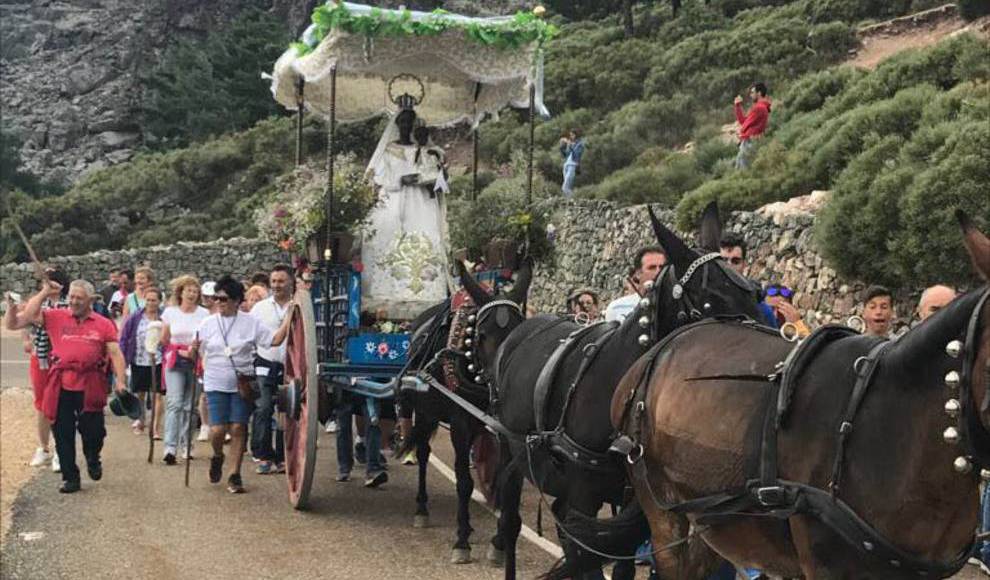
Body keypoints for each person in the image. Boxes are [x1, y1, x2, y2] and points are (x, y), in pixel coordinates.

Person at [7, 279, 127, 493]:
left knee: (94, 431)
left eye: (79, 298)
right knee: (62, 431)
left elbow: (115, 353)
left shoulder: (103, 323)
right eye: (71, 296)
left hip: (90, 383)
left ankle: (92, 456)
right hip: (61, 382)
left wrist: (120, 381)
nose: (73, 301)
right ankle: (70, 477)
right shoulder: (55, 316)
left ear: (90, 300)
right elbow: (18, 322)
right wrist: (44, 292)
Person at [189, 275, 291, 494]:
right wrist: (193, 349)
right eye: (216, 298)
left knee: (238, 427)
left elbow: (274, 340)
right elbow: (193, 353)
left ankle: (234, 474)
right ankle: (217, 455)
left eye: (223, 299)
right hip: (215, 381)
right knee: (217, 430)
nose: (219, 303)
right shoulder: (206, 324)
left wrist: (289, 318)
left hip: (242, 381)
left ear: (236, 300)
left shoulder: (250, 322)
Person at [363, 103, 451, 320]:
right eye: (403, 122)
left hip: (421, 201)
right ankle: (390, 289)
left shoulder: (427, 152)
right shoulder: (389, 150)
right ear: (397, 124)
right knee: (389, 239)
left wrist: (431, 178)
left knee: (425, 237)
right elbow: (381, 179)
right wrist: (401, 179)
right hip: (395, 199)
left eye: (409, 123)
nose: (406, 126)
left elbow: (438, 179)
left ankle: (426, 289)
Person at [160, 275, 210, 465]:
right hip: (175, 361)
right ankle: (170, 447)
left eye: (195, 291)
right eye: (189, 290)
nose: (192, 294)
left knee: (190, 406)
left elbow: (207, 337)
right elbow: (164, 341)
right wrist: (180, 351)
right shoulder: (170, 313)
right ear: (181, 292)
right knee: (175, 402)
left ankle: (186, 445)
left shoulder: (204, 314)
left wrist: (196, 350)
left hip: (196, 360)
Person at [250, 264, 293, 475]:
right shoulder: (260, 308)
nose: (276, 285)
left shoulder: (299, 306)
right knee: (264, 408)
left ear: (290, 282)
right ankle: (264, 455)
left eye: (281, 281)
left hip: (290, 366)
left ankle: (282, 457)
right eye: (274, 281)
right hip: (265, 362)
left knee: (286, 410)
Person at [118, 287, 165, 436]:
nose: (150, 303)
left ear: (159, 301)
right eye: (148, 300)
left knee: (158, 394)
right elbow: (125, 337)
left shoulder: (163, 318)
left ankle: (155, 427)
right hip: (139, 359)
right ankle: (141, 420)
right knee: (140, 394)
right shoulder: (135, 317)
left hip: (158, 361)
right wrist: (123, 358)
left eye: (154, 300)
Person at [604, 246, 666, 323]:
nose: (658, 272)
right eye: (652, 267)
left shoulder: (675, 306)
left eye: (662, 267)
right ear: (638, 274)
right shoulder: (616, 308)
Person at [733, 82, 771, 170]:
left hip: (750, 142)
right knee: (741, 167)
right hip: (750, 140)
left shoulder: (759, 108)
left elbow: (745, 125)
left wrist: (741, 135)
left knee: (743, 169)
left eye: (752, 92)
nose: (750, 95)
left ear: (759, 93)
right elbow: (744, 121)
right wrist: (738, 106)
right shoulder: (760, 107)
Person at [559, 128, 585, 198]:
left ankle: (573, 199)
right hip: (566, 165)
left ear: (576, 135)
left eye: (572, 135)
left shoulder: (580, 144)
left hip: (572, 165)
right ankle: (568, 200)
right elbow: (566, 155)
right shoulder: (570, 144)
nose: (571, 137)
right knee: (567, 186)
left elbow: (576, 154)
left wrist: (570, 145)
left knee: (565, 187)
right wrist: (561, 147)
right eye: (570, 135)